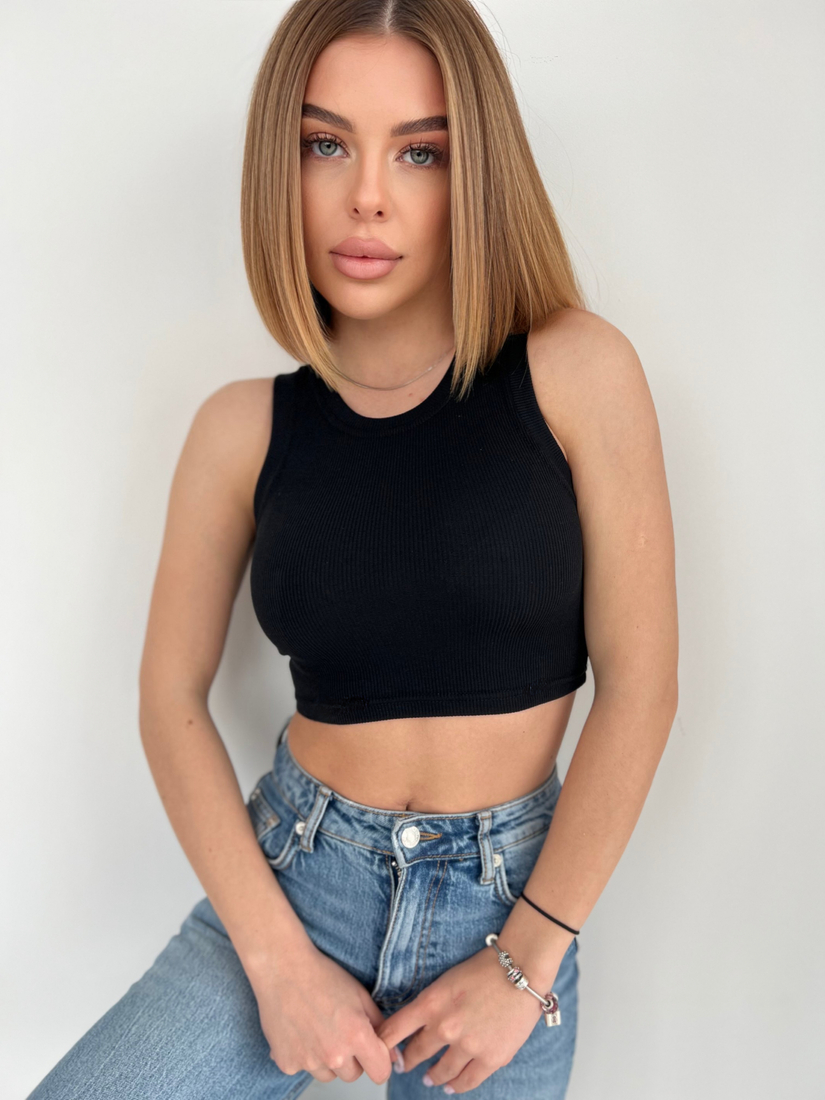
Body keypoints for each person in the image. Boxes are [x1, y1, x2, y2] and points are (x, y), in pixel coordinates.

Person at [27, 1, 678, 1097]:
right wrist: (276, 962)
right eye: (325, 144)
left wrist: (526, 961)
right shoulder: (241, 428)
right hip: (294, 879)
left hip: (510, 911)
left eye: (419, 152)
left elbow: (643, 687)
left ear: (475, 174)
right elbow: (167, 696)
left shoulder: (577, 371)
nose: (366, 195)